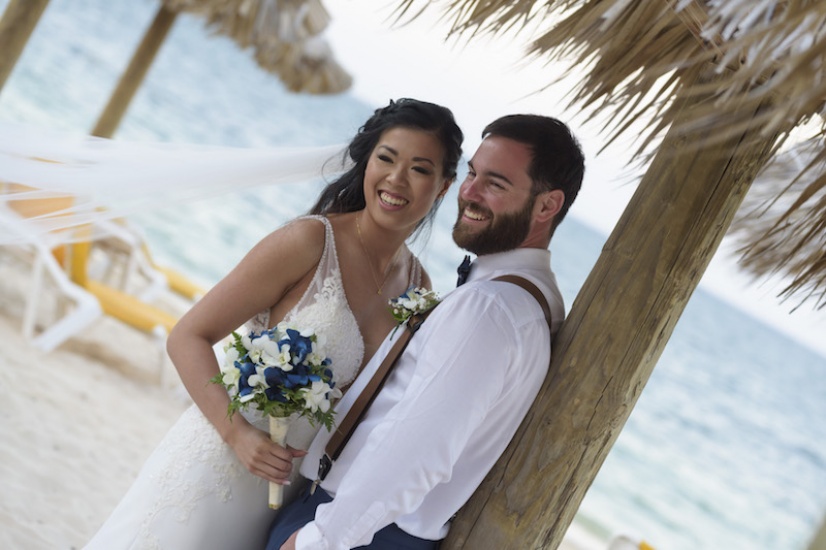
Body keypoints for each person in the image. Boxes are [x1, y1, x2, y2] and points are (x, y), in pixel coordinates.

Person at [83, 98, 464, 550]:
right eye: (386, 158)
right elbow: (188, 335)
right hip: (218, 464)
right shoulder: (309, 241)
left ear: (443, 187)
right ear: (367, 161)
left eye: (420, 169)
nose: (396, 179)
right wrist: (236, 435)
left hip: (287, 490)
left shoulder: (419, 288)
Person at [266, 114, 585, 550]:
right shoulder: (531, 301)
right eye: (472, 173)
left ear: (547, 205)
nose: (468, 192)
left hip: (357, 535)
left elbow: (415, 452)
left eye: (495, 183)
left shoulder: (489, 308)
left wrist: (319, 539)